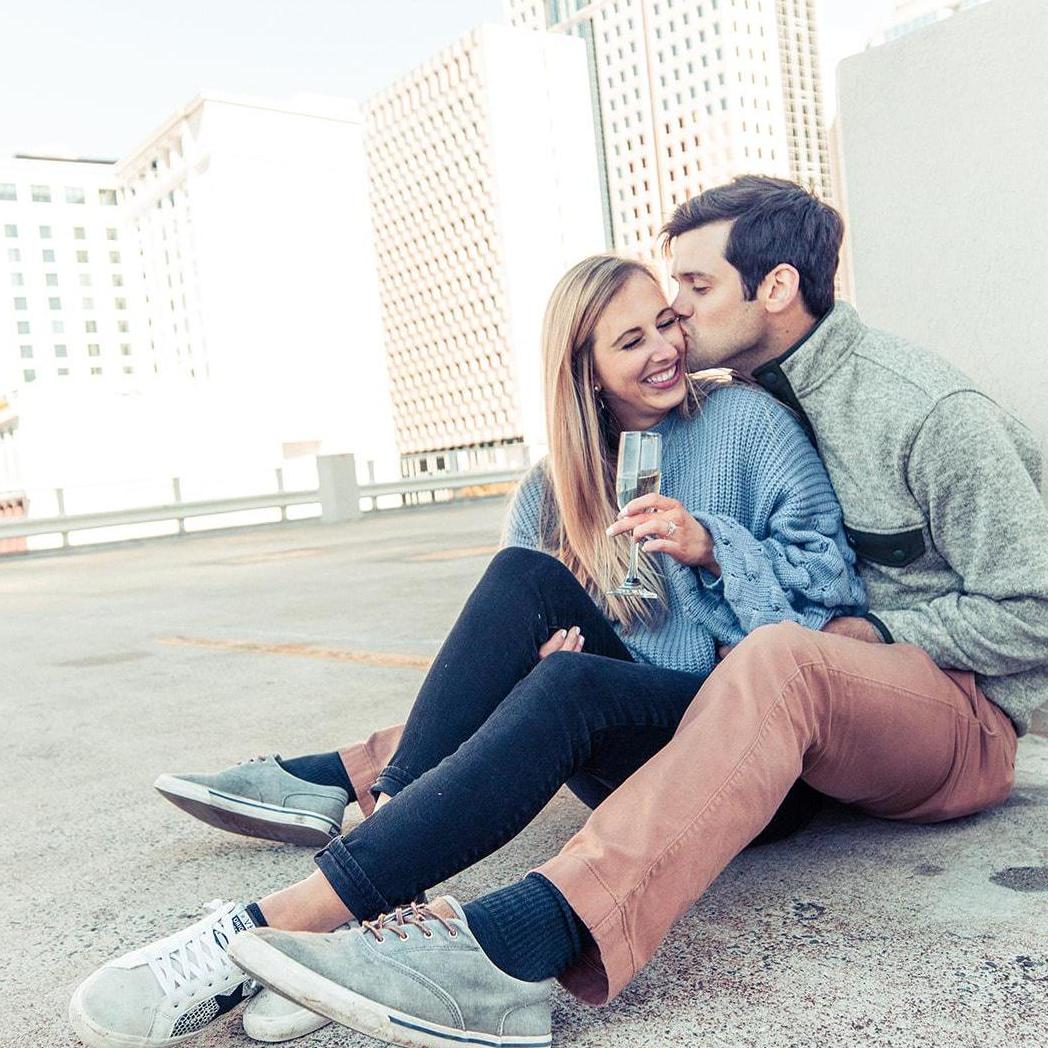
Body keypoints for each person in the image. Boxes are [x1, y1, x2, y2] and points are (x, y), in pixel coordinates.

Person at [138, 174, 1046, 1044]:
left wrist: (779, 582)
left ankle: (478, 916)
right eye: (649, 318)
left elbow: (1018, 606)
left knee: (773, 657)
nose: (676, 324)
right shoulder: (710, 412)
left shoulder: (911, 410)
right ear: (584, 369)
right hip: (734, 717)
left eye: (688, 290)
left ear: (774, 288)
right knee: (534, 605)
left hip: (935, 709)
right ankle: (385, 836)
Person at [69, 248, 866, 1048]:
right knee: (523, 579)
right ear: (584, 371)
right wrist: (535, 663)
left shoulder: (748, 424)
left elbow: (833, 590)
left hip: (745, 749)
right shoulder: (554, 486)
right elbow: (500, 651)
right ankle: (375, 866)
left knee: (575, 685)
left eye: (665, 323)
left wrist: (711, 547)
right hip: (622, 750)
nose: (663, 349)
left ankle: (276, 924)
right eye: (630, 342)